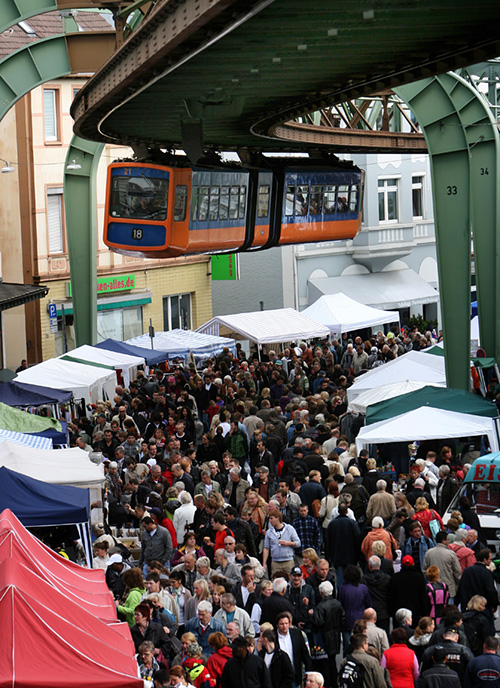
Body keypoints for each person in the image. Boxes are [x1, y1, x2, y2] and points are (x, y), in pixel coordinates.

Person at [310, 581, 344, 688]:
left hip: (324, 637)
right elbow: (343, 618)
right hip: (335, 635)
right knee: (332, 662)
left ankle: (328, 683)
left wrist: (311, 615)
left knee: (325, 664)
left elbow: (318, 622)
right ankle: (335, 683)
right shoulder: (337, 604)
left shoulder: (320, 607)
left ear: (321, 592)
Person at [457, 549, 498, 629]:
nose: (491, 561)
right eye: (489, 559)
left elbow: (461, 587)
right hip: (483, 607)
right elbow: (491, 590)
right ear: (484, 559)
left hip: (468, 606)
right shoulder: (486, 573)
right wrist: (494, 603)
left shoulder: (467, 571)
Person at [338, 565, 372, 652]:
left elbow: (340, 606)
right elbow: (368, 604)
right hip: (361, 619)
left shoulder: (342, 589)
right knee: (362, 643)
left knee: (347, 644)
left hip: (347, 620)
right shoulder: (363, 588)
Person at [388, 555, 430, 625]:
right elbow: (423, 597)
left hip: (399, 614)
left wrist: (391, 612)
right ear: (413, 564)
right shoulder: (419, 578)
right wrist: (424, 613)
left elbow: (391, 596)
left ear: (402, 564)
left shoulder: (395, 578)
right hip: (415, 614)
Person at [275, 611, 311, 688]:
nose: (284, 626)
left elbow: (304, 654)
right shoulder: (273, 637)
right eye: (281, 624)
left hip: (295, 674)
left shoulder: (297, 634)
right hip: (279, 677)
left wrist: (308, 671)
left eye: (286, 623)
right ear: (277, 625)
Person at [423, 531, 462, 600]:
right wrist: (457, 584)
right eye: (447, 539)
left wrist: (429, 579)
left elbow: (424, 570)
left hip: (432, 588)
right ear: (443, 541)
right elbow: (457, 571)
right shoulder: (451, 554)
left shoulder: (428, 553)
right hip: (448, 588)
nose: (448, 541)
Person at [262, 510, 301, 576]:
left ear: (277, 518)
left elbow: (298, 543)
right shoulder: (269, 532)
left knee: (290, 579)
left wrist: (288, 543)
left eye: (271, 518)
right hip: (275, 562)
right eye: (269, 519)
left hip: (288, 561)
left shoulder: (289, 529)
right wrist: (264, 563)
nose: (270, 521)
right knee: (275, 580)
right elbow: (266, 548)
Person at [361, 555, 391, 634]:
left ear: (369, 566)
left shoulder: (364, 580)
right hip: (383, 612)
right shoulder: (387, 579)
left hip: (369, 612)